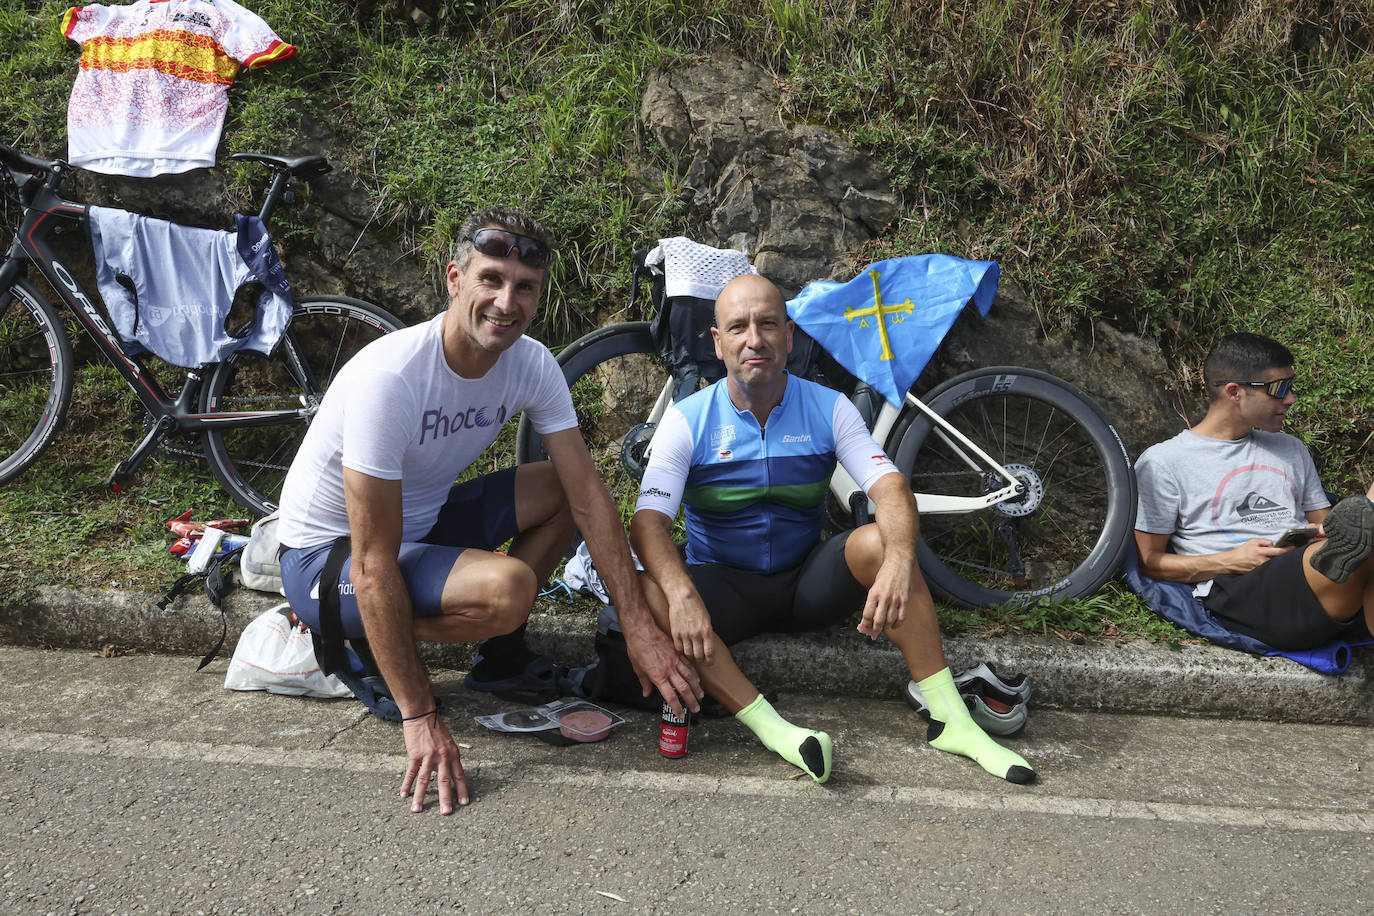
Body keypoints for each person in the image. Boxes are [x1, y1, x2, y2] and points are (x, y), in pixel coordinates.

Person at [275, 207, 703, 815]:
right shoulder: (391, 379)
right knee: (508, 588)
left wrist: (639, 627)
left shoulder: (531, 364)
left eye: (524, 288)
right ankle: (352, 634)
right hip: (328, 559)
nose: (506, 303)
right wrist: (420, 714)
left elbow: (587, 495)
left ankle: (501, 659)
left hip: (417, 523)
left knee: (558, 486)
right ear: (455, 279)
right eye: (491, 280)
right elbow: (372, 563)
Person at [627, 273, 1036, 785]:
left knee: (881, 541)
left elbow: (890, 491)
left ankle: (952, 720)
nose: (755, 339)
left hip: (805, 585)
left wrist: (898, 562)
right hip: (723, 587)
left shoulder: (828, 406)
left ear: (789, 336)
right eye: (738, 328)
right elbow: (649, 524)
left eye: (768, 324)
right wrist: (682, 591)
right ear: (717, 342)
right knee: (651, 589)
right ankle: (775, 730)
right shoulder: (687, 420)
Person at [1134, 332, 1374, 652]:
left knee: (1353, 543)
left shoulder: (1290, 449)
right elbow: (1149, 563)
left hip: (1312, 572)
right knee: (1356, 541)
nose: (1291, 399)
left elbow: (1328, 527)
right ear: (1235, 392)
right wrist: (1231, 560)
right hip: (1240, 590)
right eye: (1279, 389)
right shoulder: (1164, 462)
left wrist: (1319, 534)